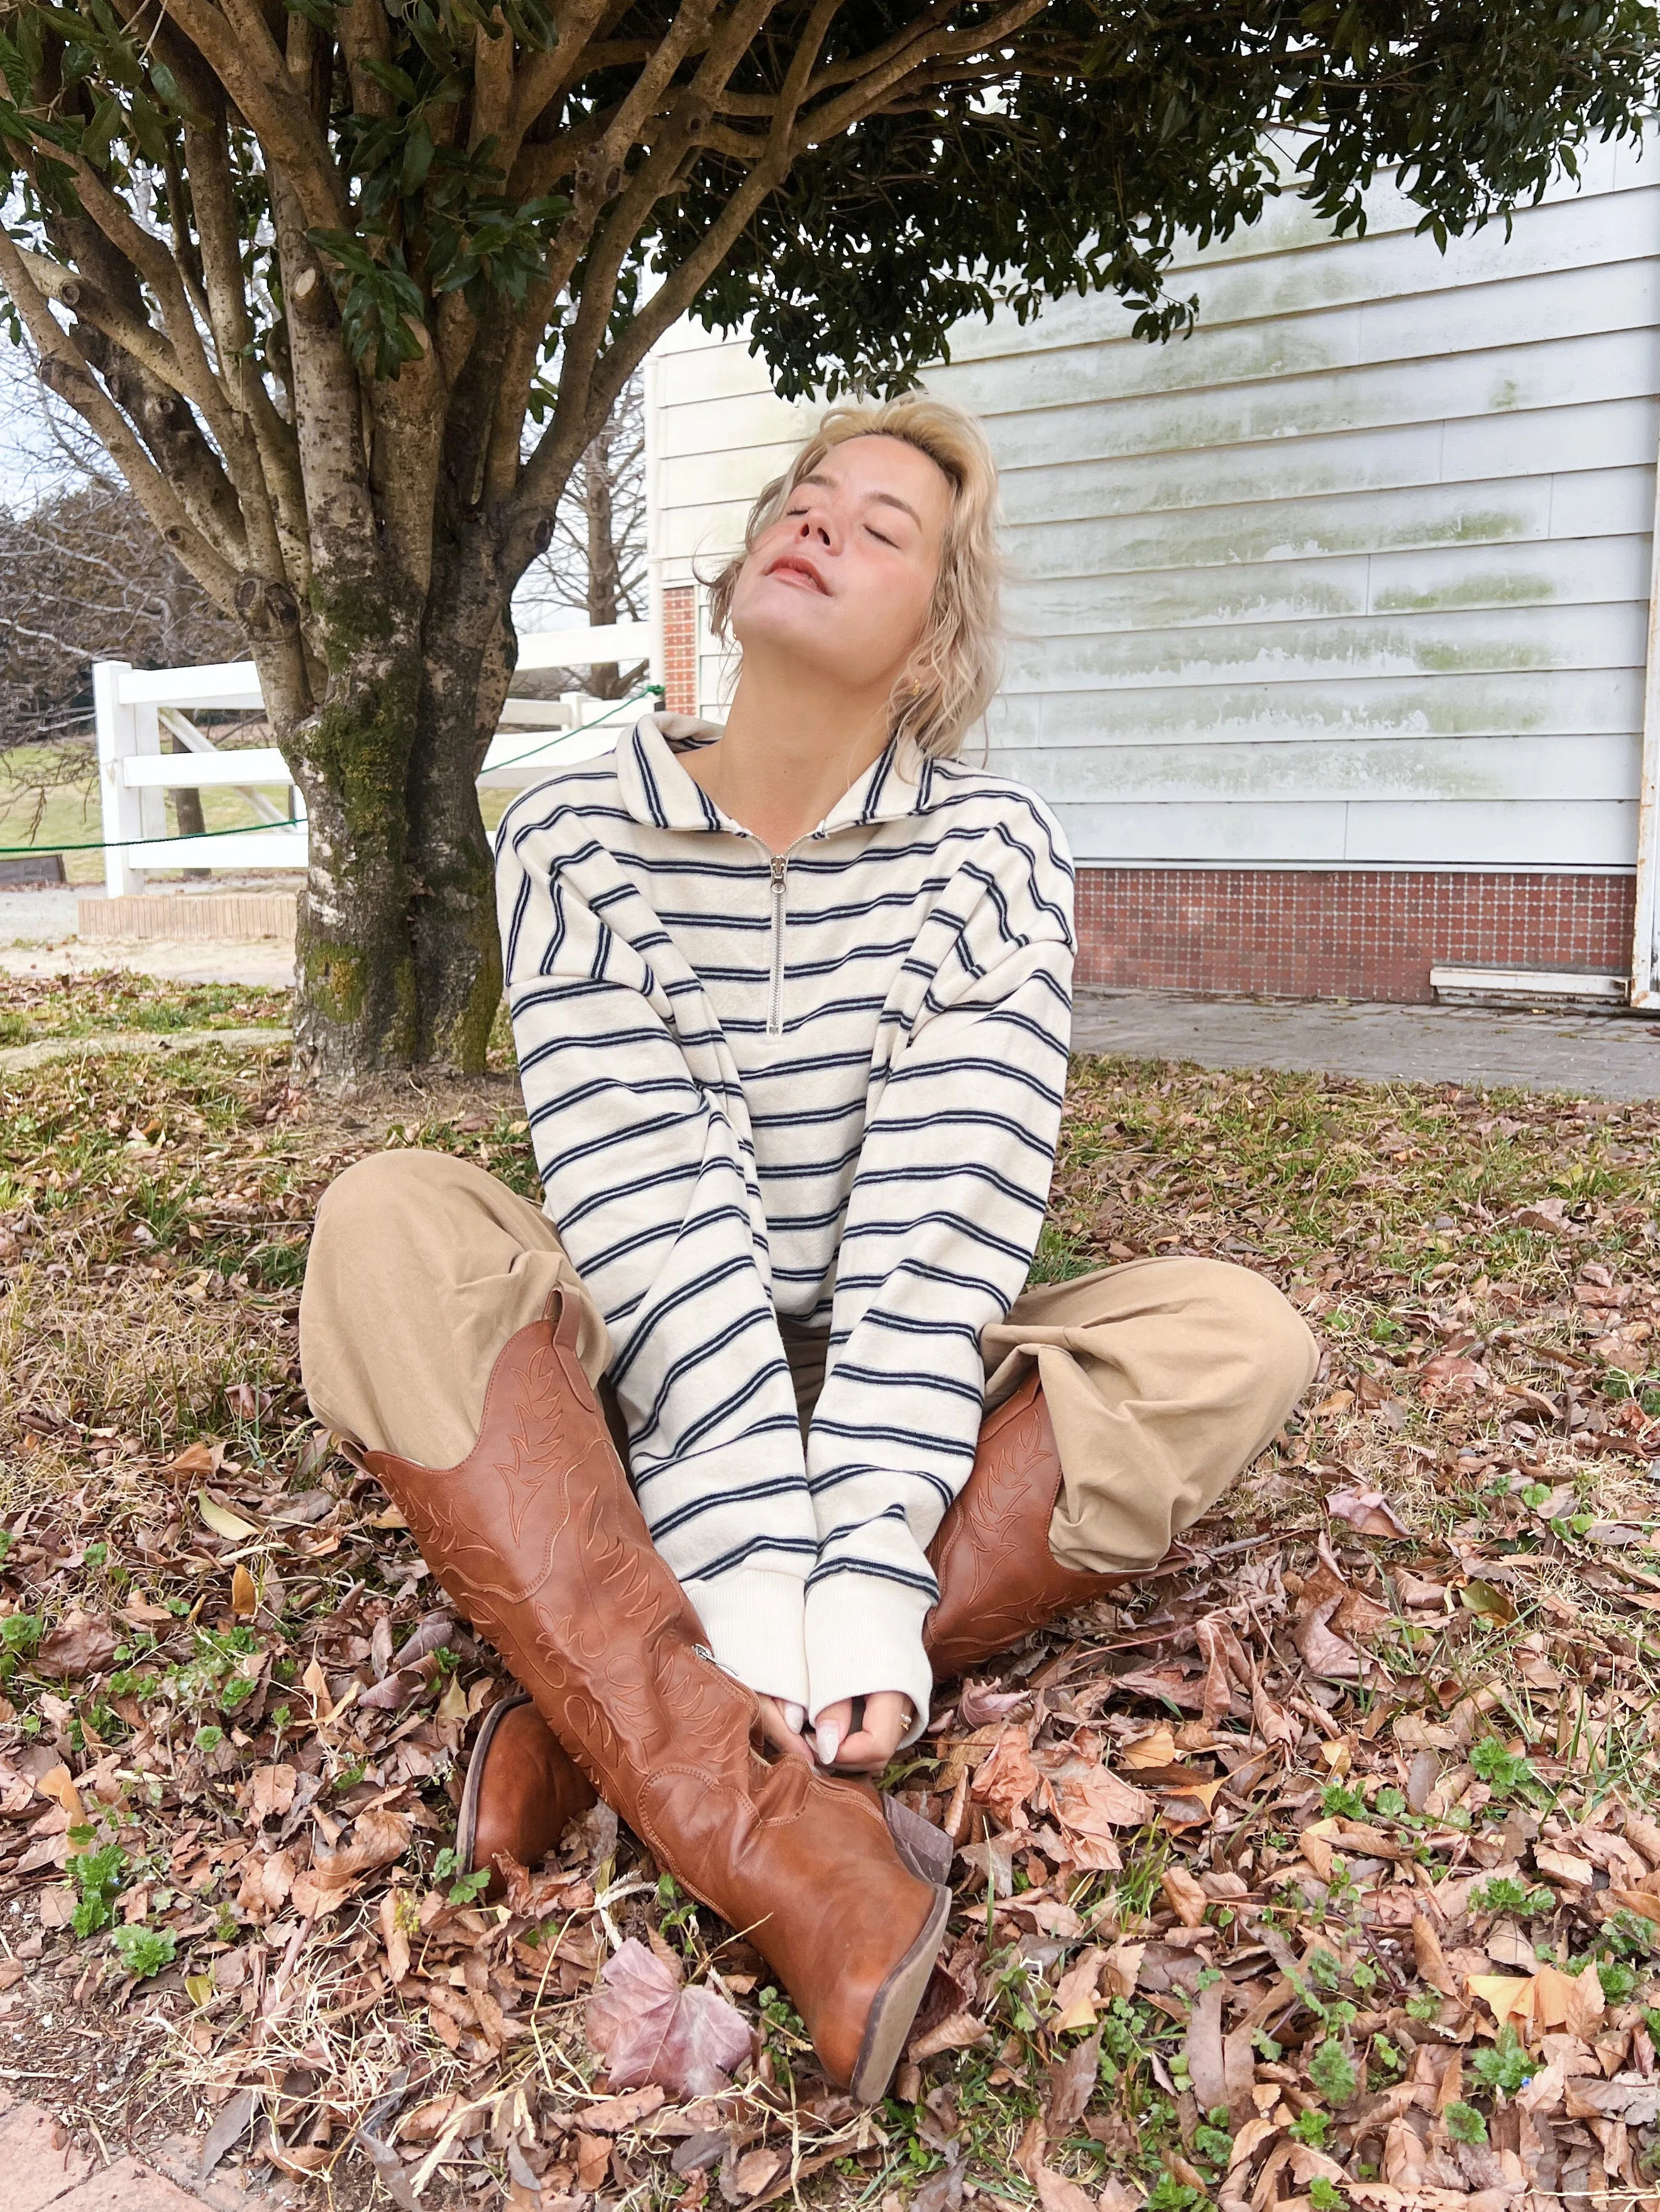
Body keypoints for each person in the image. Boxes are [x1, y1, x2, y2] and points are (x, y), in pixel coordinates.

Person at [299, 395, 1317, 2101]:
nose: (823, 521)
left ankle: (612, 1708)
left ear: (934, 641)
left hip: (890, 1358)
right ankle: (784, 1843)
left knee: (1237, 1340)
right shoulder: (572, 831)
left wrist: (854, 1595)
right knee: (385, 1225)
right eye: (805, 495)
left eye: (885, 526)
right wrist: (753, 1547)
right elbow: (651, 1210)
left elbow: (940, 1242)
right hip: (640, 1345)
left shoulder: (994, 857)